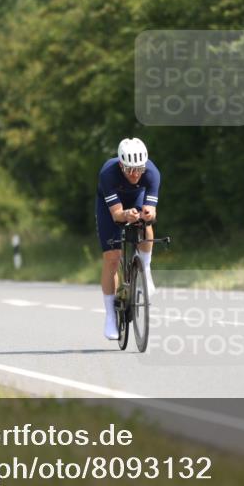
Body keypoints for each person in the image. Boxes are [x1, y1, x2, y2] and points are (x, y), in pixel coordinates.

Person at [96, 137, 161, 340]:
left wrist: (147, 214)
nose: (134, 174)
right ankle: (110, 317)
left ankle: (145, 270)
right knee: (112, 258)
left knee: (146, 224)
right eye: (129, 169)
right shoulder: (108, 173)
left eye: (138, 169)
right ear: (121, 165)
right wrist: (126, 215)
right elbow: (116, 215)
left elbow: (152, 211)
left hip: (136, 197)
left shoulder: (152, 173)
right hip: (110, 206)